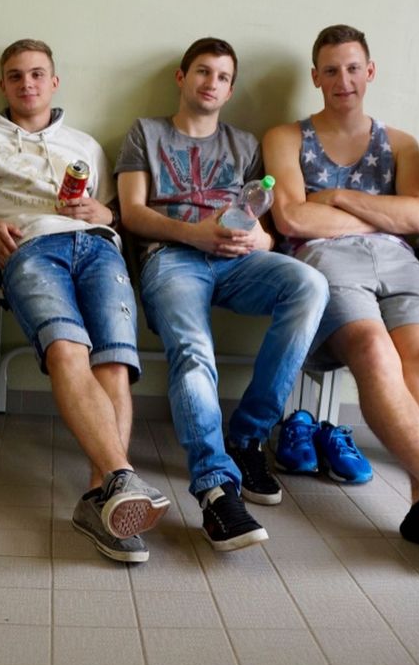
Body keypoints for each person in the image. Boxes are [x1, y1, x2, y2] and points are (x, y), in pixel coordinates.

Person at [264, 25, 419, 564]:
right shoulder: (286, 138)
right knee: (374, 349)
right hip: (325, 259)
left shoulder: (400, 143)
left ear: (371, 71)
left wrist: (334, 196)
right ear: (316, 77)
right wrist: (380, 213)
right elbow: (292, 218)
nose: (344, 80)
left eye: (353, 68)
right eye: (331, 70)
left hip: (398, 261)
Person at [0, 39, 169, 564]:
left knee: (114, 360)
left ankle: (102, 499)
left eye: (36, 74)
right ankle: (121, 479)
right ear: (3, 85)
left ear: (53, 82)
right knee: (67, 349)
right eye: (15, 75)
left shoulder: (85, 144)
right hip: (30, 248)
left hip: (98, 248)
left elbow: (111, 211)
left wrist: (103, 213)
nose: (26, 83)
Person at [116, 38, 328, 552]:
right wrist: (194, 234)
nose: (212, 83)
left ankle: (247, 436)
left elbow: (263, 223)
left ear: (231, 90)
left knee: (310, 284)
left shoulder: (245, 144)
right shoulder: (145, 132)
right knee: (195, 351)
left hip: (237, 262)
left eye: (223, 77)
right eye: (203, 71)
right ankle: (215, 487)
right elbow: (132, 214)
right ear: (182, 77)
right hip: (171, 258)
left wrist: (261, 241)